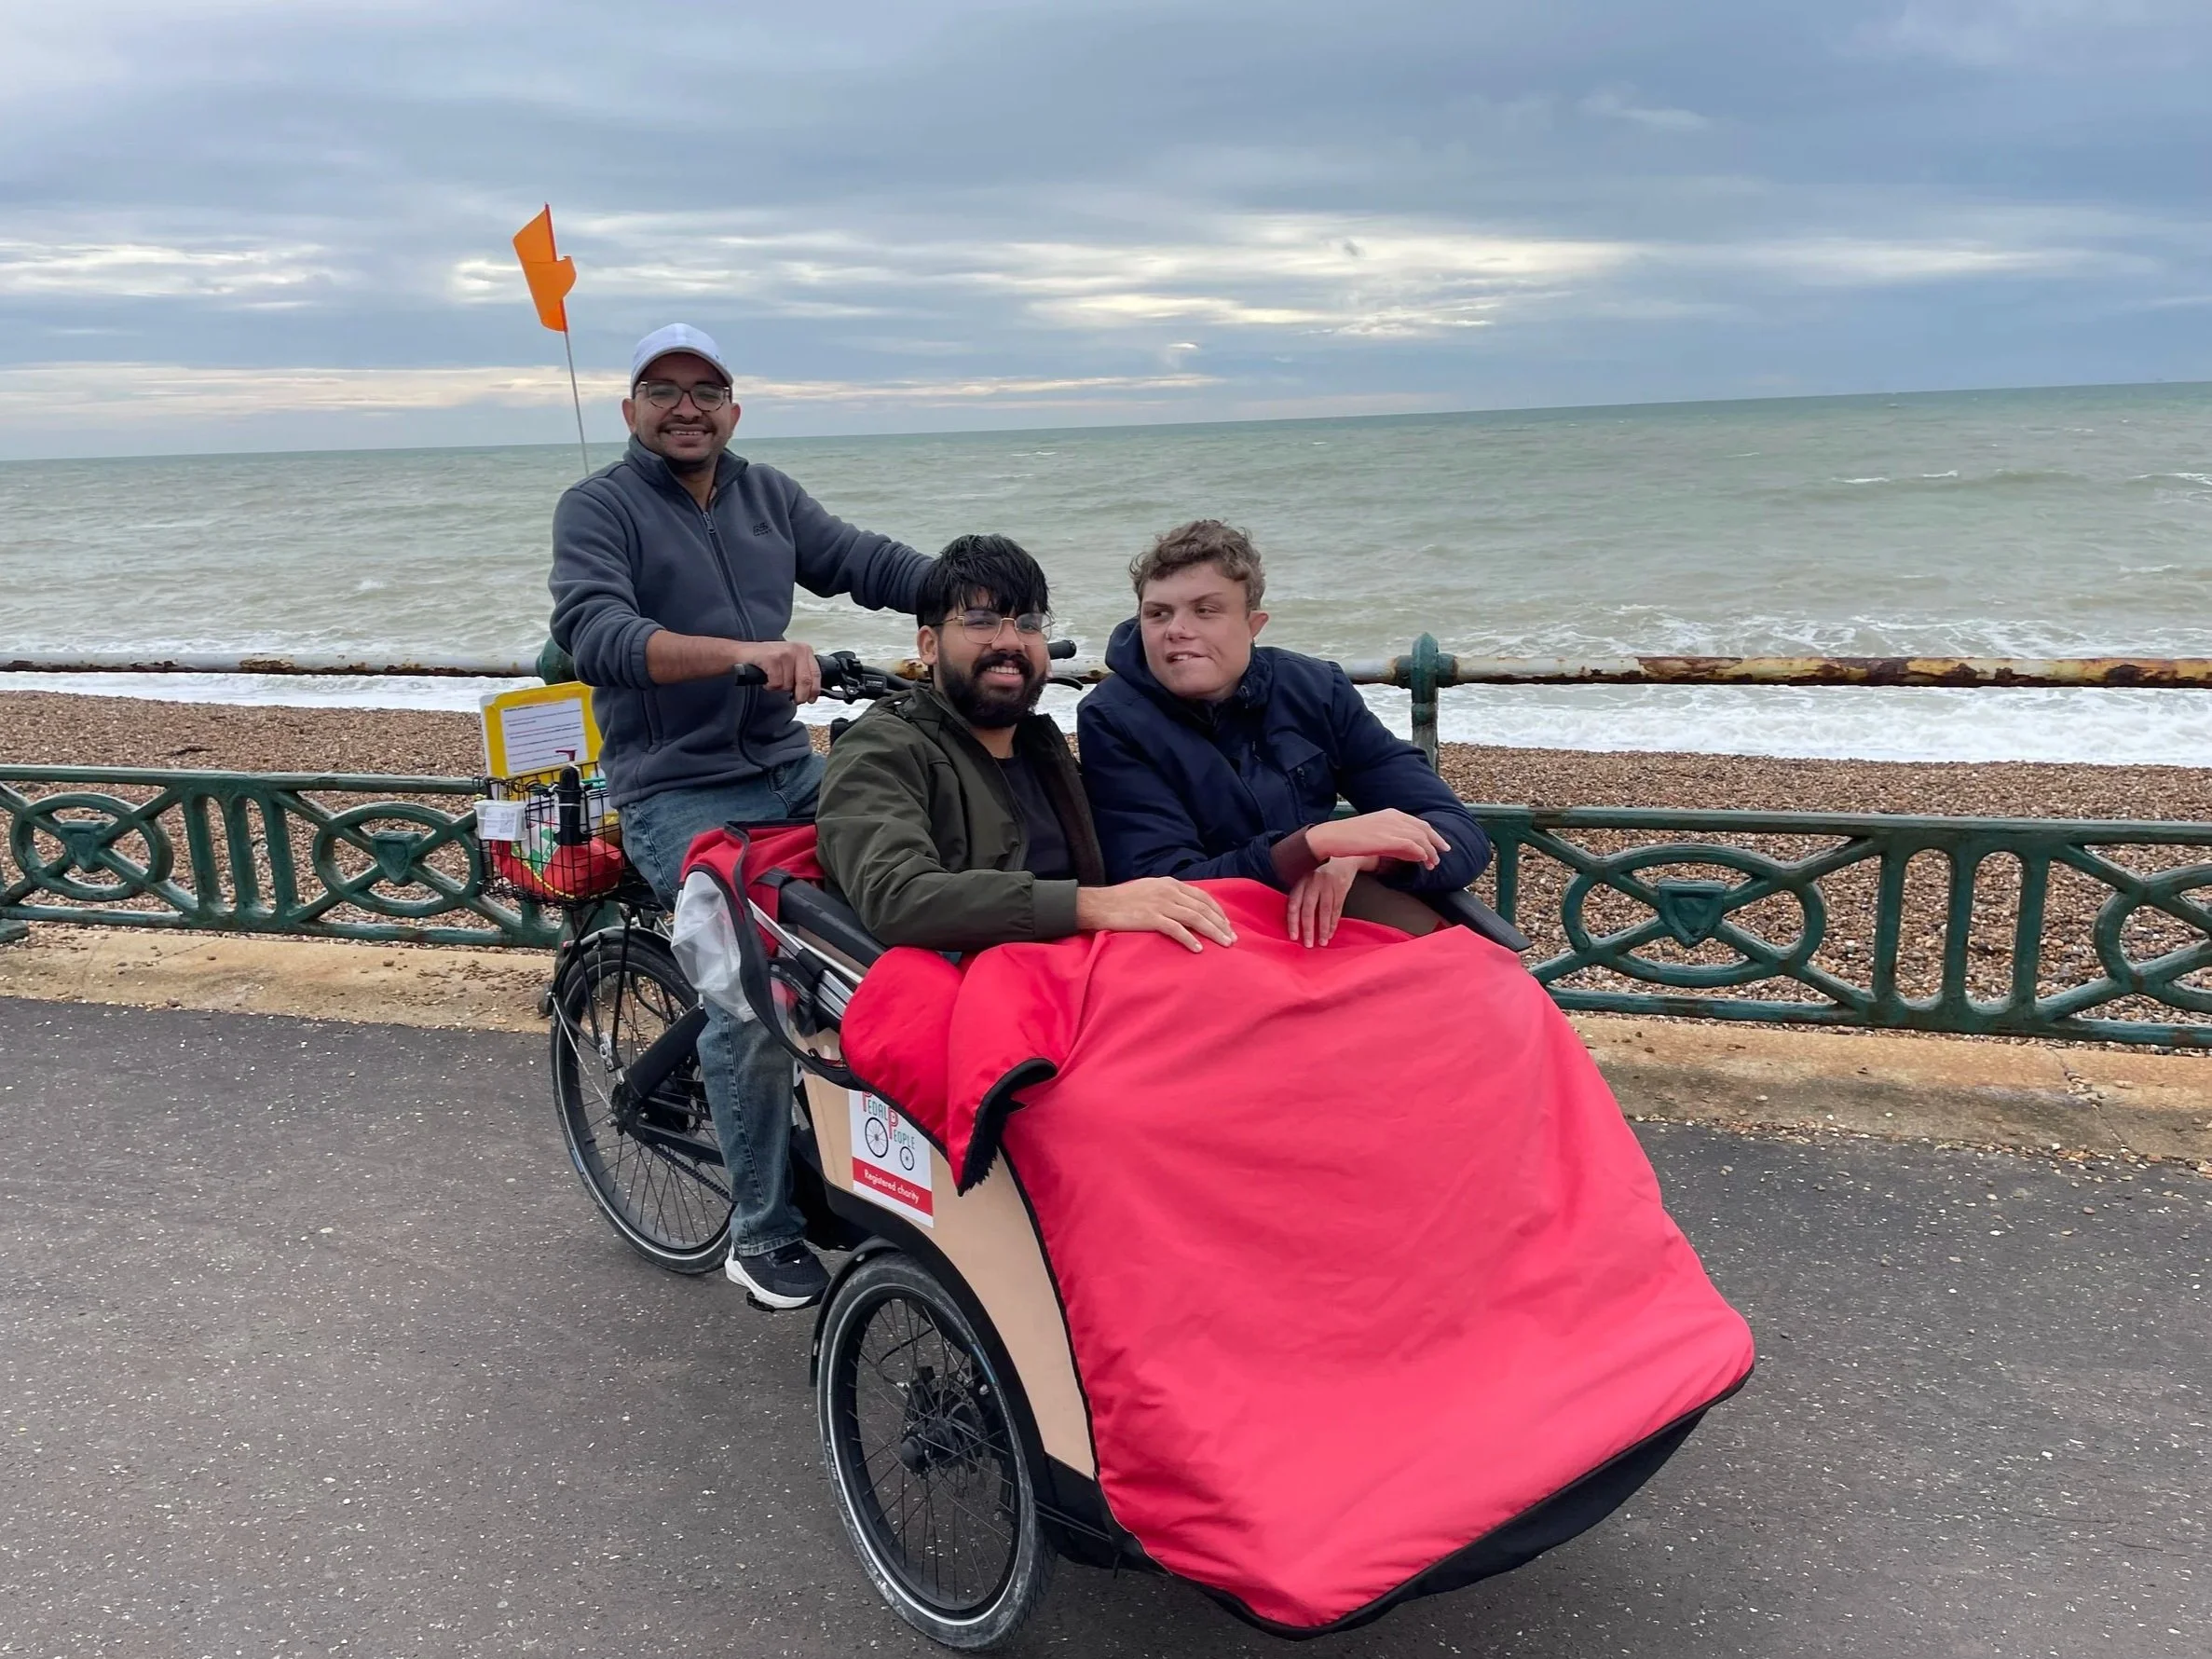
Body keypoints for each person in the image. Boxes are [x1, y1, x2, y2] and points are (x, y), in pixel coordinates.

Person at [548, 322, 932, 1310]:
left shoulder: (766, 494)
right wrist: (736, 653)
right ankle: (758, 1233)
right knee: (751, 983)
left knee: (910, 895)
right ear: (631, 409)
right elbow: (594, 631)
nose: (686, 406)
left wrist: (973, 592)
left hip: (782, 766)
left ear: (733, 408)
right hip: (672, 790)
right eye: (663, 389)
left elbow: (858, 559)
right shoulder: (598, 506)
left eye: (705, 389)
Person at [1077, 519, 1492, 948]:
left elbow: (1457, 832)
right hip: (1200, 939)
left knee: (1478, 981)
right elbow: (1166, 885)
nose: (1176, 629)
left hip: (1314, 917)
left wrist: (1369, 856)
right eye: (1158, 613)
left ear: (1254, 624)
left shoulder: (1314, 689)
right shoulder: (1113, 717)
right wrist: (1309, 847)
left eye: (1205, 610)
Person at [815, 534, 1236, 956]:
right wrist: (1091, 906)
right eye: (981, 622)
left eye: (1029, 624)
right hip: (991, 989)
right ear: (929, 645)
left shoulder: (1043, 749)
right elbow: (897, 897)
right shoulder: (880, 749)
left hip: (1094, 965)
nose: (1011, 642)